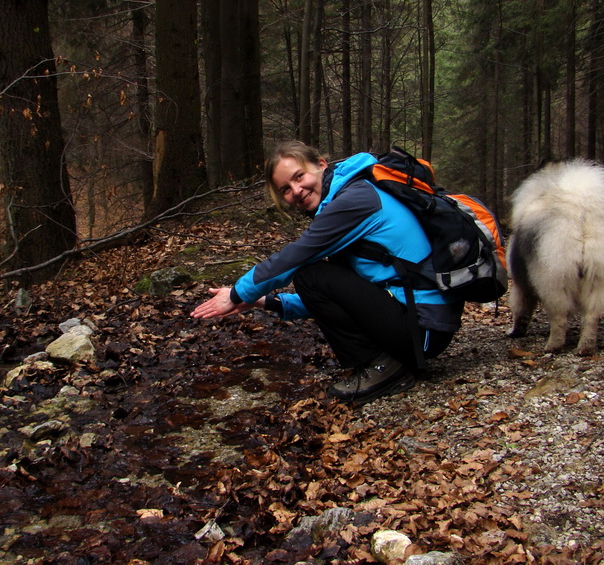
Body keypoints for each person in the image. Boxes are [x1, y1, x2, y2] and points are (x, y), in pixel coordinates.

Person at [190, 140, 463, 404]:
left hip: (423, 331)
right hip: (422, 327)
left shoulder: (356, 199)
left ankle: (383, 369)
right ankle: (384, 363)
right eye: (285, 189)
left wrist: (238, 293)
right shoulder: (350, 199)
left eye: (299, 176)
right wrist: (265, 301)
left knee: (311, 274)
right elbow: (347, 297)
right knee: (316, 276)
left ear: (321, 164)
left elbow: (296, 256)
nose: (296, 190)